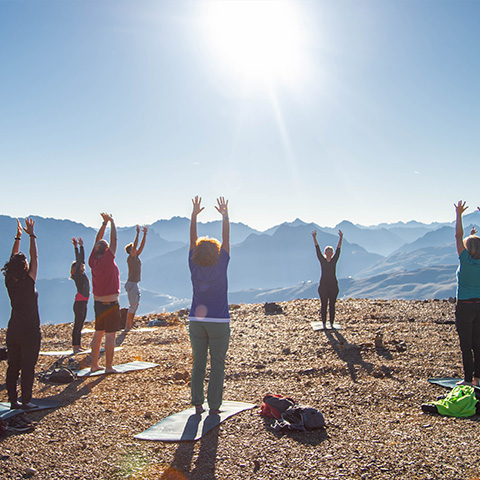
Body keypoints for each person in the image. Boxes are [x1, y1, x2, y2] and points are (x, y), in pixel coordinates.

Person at [188, 196, 230, 415]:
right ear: (216, 252)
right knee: (218, 365)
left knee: (198, 363)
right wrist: (225, 216)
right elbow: (227, 240)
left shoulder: (193, 265)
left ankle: (197, 403)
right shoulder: (221, 264)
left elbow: (192, 239)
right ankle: (214, 407)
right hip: (219, 321)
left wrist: (194, 215)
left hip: (196, 320)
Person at [2, 219, 40, 410]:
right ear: (24, 267)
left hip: (13, 330)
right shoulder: (29, 279)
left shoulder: (9, 280)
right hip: (30, 331)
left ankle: (12, 401)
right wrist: (31, 235)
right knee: (27, 367)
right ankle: (25, 401)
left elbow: (12, 259)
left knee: (13, 366)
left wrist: (18, 237)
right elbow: (35, 257)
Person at [88, 213, 121, 373]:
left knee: (98, 334)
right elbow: (114, 241)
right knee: (110, 336)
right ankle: (108, 367)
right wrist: (112, 222)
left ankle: (94, 365)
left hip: (98, 303)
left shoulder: (93, 260)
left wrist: (103, 224)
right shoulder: (108, 258)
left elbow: (97, 241)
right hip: (111, 304)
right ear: (107, 250)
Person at [454, 200, 480, 387]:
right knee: (478, 343)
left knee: (466, 345)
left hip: (464, 306)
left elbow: (458, 235)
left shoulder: (464, 260)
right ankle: (478, 378)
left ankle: (468, 379)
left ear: (467, 249)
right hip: (479, 305)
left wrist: (459, 214)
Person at [311, 229, 343, 328]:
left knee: (332, 305)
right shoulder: (322, 260)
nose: (329, 253)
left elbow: (338, 249)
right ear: (325, 253)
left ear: (332, 253)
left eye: (330, 252)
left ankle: (332, 324)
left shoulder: (334, 261)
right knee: (324, 305)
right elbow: (317, 250)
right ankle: (324, 324)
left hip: (333, 286)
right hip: (323, 286)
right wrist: (314, 238)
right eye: (327, 251)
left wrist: (341, 238)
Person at [124, 225, 148, 330]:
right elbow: (136, 246)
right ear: (130, 251)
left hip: (134, 283)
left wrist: (145, 234)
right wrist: (138, 233)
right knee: (133, 305)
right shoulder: (130, 258)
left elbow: (142, 246)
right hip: (131, 284)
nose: (136, 249)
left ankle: (130, 324)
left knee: (135, 305)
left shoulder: (136, 257)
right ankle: (127, 326)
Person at [71, 237, 90, 353]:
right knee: (78, 324)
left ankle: (78, 345)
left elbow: (81, 261)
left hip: (84, 301)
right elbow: (80, 259)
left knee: (81, 323)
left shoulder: (81, 274)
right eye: (80, 265)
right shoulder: (77, 275)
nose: (82, 265)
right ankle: (75, 346)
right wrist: (78, 247)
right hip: (79, 302)